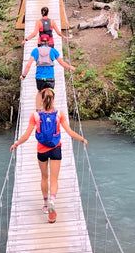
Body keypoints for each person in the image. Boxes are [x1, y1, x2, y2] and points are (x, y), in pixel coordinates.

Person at [9, 87, 87, 223]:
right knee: (54, 179)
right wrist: (82, 139)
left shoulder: (35, 116)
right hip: (56, 148)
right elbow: (69, 132)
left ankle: (45, 204)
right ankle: (52, 201)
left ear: (42, 99)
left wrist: (16, 144)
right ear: (54, 99)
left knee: (44, 177)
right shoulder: (59, 115)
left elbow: (27, 135)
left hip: (42, 150)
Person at [20, 36, 76, 109]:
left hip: (39, 77)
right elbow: (62, 63)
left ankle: (38, 111)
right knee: (51, 92)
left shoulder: (35, 51)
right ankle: (50, 110)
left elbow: (28, 65)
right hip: (50, 77)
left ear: (39, 42)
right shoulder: (53, 51)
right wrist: (70, 67)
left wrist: (23, 76)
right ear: (49, 42)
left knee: (40, 92)